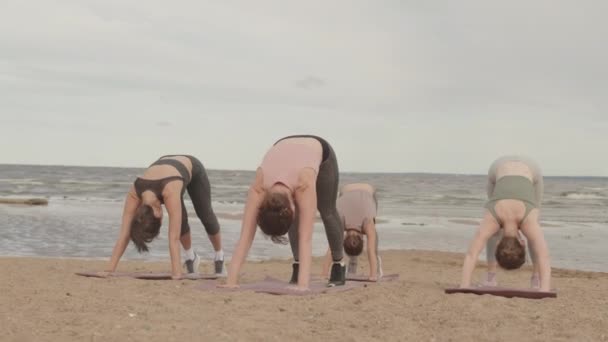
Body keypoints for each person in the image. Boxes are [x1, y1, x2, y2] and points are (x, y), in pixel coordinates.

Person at [222, 135, 346, 290]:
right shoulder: (258, 187)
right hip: (282, 144)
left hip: (318, 147)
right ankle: (298, 266)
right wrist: (231, 281)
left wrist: (303, 286)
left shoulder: (303, 184)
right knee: (293, 216)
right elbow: (245, 237)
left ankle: (339, 265)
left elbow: (306, 238)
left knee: (327, 211)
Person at [100, 155, 225, 279]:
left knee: (205, 215)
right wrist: (109, 269)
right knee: (180, 220)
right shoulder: (135, 191)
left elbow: (173, 238)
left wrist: (176, 273)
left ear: (157, 212)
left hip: (191, 168)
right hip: (167, 171)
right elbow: (124, 234)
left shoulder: (169, 190)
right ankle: (190, 257)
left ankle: (219, 256)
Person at [459, 155, 551, 291]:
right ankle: (536, 280)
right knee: (536, 238)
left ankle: (491, 276)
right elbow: (544, 255)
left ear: (522, 243)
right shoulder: (526, 219)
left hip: (510, 166)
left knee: (492, 232)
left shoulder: (494, 217)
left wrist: (464, 286)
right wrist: (545, 290)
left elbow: (472, 254)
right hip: (514, 166)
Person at [321, 183, 382, 281]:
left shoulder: (342, 221)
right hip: (360, 189)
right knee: (372, 235)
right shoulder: (366, 222)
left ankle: (358, 267)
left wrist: (324, 274)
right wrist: (373, 276)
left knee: (372, 231)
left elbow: (332, 249)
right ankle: (374, 270)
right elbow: (370, 250)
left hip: (350, 189)